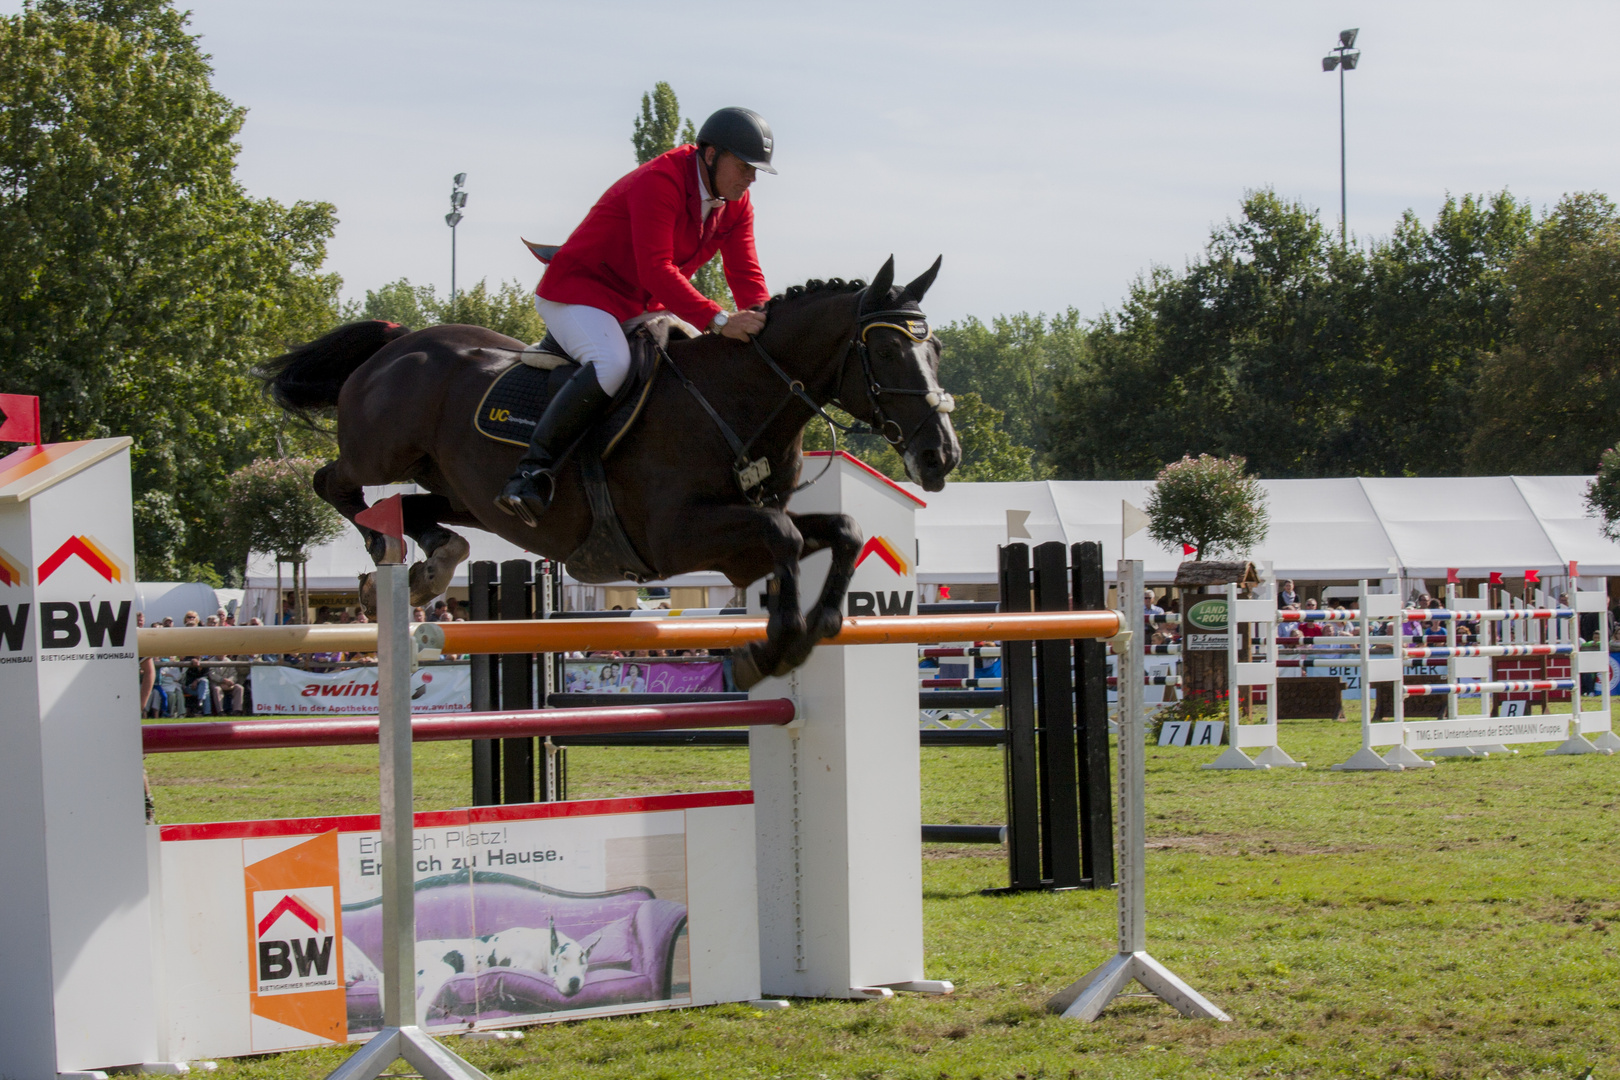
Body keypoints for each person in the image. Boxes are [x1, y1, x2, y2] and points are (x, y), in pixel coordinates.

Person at [497, 106, 777, 524]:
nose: (750, 178)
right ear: (711, 154)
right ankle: (530, 474)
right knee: (613, 364)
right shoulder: (660, 180)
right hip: (579, 293)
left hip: (639, 306)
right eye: (744, 167)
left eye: (756, 171)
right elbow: (657, 270)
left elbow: (745, 274)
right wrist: (719, 321)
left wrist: (765, 324)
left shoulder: (736, 204)